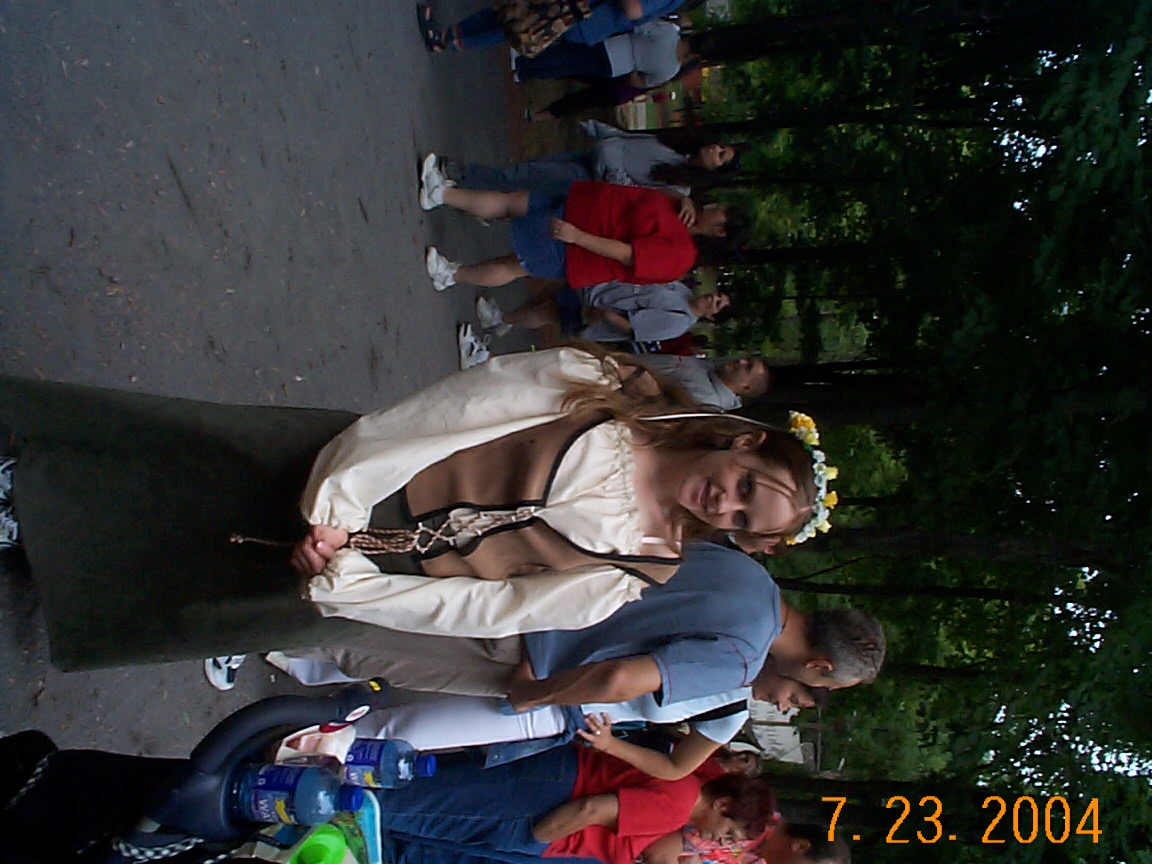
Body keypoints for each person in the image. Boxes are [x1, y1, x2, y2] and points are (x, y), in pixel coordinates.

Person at [0, 349, 822, 676]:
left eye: (742, 521)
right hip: (363, 467)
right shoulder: (613, 392)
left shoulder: (638, 570)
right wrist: (340, 500)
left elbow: (494, 607)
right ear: (745, 443)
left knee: (209, 583)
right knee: (190, 472)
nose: (726, 503)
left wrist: (350, 581)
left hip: (380, 575)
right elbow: (458, 409)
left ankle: (46, 541)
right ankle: (34, 472)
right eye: (745, 485)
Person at [369, 744, 777, 864]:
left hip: (552, 778)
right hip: (541, 806)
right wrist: (535, 837)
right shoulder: (675, 807)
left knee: (428, 789)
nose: (718, 840)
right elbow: (591, 810)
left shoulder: (682, 780)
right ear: (722, 805)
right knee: (421, 809)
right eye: (728, 833)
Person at [420, 167, 750, 292]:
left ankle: (451, 275)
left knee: (516, 264)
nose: (715, 206)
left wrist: (577, 237)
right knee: (513, 202)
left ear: (720, 232)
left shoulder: (680, 256)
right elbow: (653, 194)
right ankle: (443, 195)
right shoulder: (683, 211)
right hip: (580, 205)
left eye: (721, 212)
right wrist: (682, 198)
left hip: (578, 247)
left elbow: (628, 254)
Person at [443, 121, 739, 199]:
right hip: (592, 155)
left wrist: (611, 165)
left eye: (721, 155)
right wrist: (603, 132)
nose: (715, 148)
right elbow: (631, 139)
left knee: (525, 175)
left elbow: (630, 191)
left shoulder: (679, 189)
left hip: (591, 178)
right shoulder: (679, 141)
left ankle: (463, 176)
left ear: (715, 171)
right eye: (720, 146)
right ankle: (477, 192)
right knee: (526, 172)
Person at [475, 282, 730, 346]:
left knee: (548, 313)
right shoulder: (683, 290)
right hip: (598, 291)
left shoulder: (677, 322)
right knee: (549, 299)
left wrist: (604, 315)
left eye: (716, 304)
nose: (712, 298)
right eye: (716, 295)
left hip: (596, 313)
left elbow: (634, 328)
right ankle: (508, 321)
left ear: (711, 317)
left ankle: (499, 319)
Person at [419, 1, 688, 53]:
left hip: (580, 16)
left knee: (516, 27)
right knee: (509, 12)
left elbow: (634, 9)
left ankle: (445, 40)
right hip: (577, 10)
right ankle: (450, 34)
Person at [512, 20, 689, 92]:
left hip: (614, 46)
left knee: (567, 55)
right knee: (570, 67)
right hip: (619, 67)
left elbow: (639, 27)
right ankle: (527, 73)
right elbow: (640, 82)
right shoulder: (671, 70)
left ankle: (525, 62)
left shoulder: (669, 33)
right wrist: (636, 67)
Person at [640, 355, 772, 410]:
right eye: (746, 359)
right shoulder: (709, 368)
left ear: (746, 388)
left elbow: (653, 403)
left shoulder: (707, 402)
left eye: (748, 367)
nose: (741, 361)